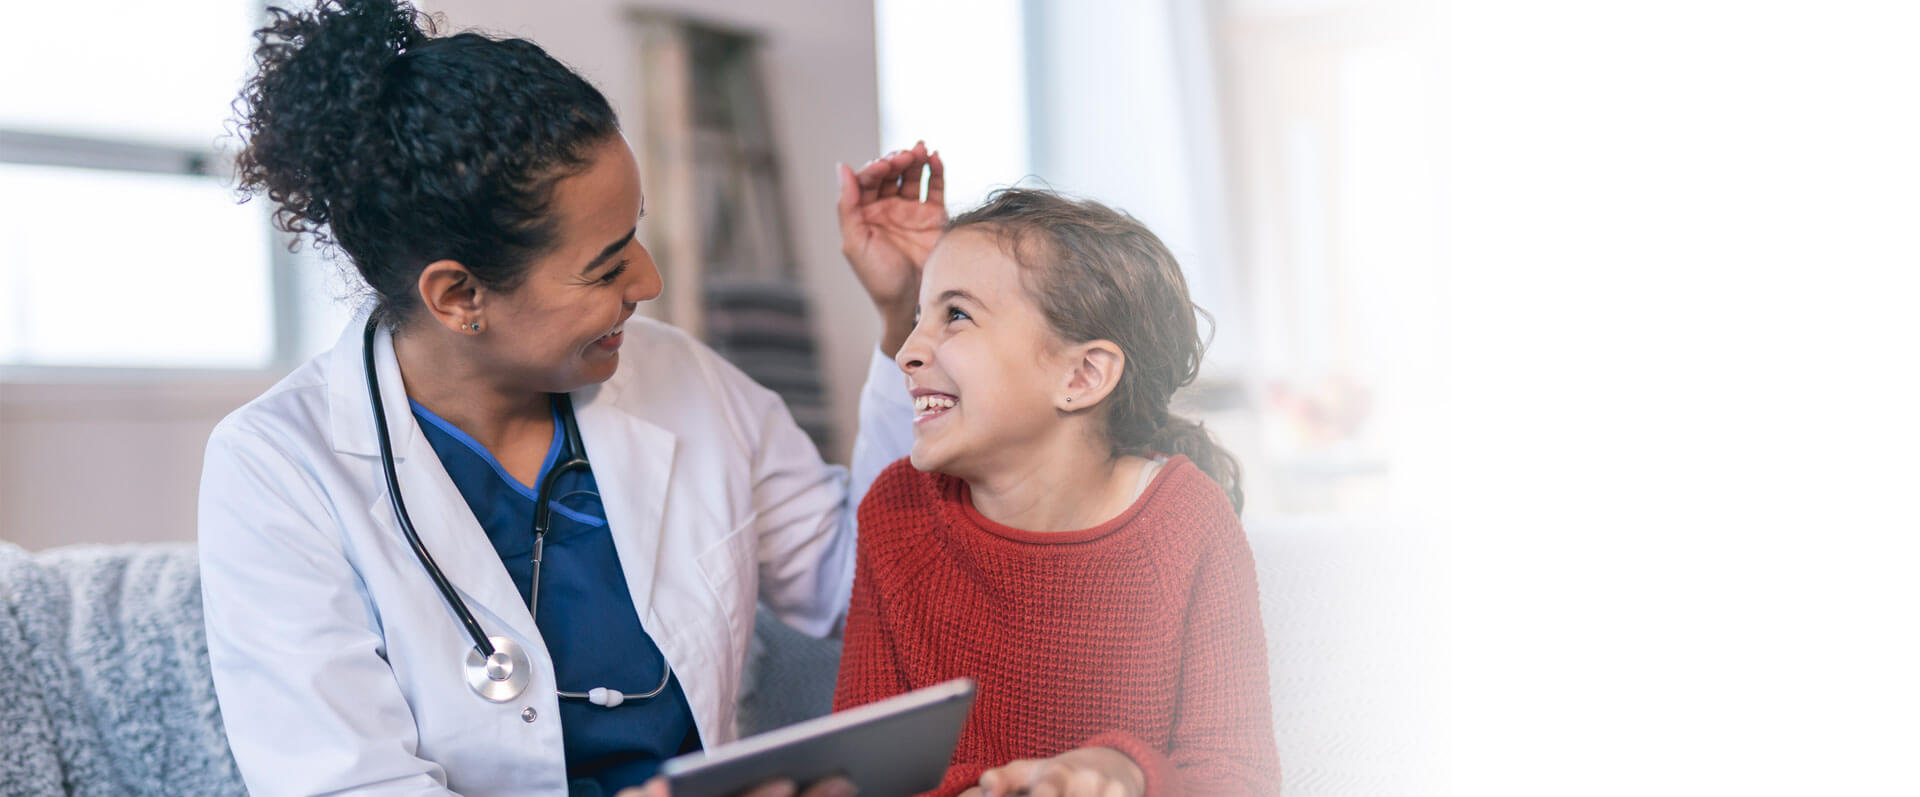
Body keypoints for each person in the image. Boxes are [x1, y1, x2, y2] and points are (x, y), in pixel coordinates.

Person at [196, 1, 936, 794]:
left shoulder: (683, 378)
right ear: (458, 296)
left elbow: (871, 588)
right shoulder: (276, 469)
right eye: (606, 265)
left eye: (636, 233)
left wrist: (907, 317)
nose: (650, 282)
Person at [830, 188, 1283, 796]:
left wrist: (1123, 774)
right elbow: (859, 781)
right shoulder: (897, 512)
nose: (908, 351)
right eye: (918, 318)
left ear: (1082, 376)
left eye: (955, 315)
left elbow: (1237, 779)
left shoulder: (1186, 521)